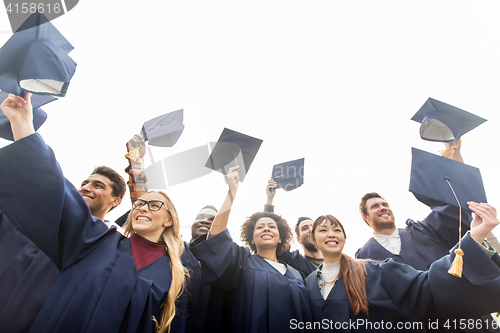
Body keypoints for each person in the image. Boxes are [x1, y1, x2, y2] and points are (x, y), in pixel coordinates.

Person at [0, 93, 188, 333]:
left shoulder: (176, 270)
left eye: (154, 205)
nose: (142, 207)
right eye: (140, 204)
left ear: (170, 219)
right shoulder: (98, 240)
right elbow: (57, 195)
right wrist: (23, 125)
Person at [305, 211, 500, 332]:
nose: (331, 234)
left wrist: (474, 238)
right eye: (323, 230)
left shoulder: (374, 270)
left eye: (337, 230)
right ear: (313, 239)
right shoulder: (307, 284)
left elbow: (427, 286)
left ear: (344, 238)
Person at [0, 157, 126, 331]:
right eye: (85, 183)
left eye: (98, 186)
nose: (85, 188)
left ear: (114, 201)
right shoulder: (41, 218)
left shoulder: (109, 245)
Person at [189, 167, 313, 332]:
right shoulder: (241, 262)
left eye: (272, 227)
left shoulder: (297, 274)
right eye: (260, 227)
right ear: (252, 238)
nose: (266, 229)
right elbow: (216, 238)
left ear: (281, 237)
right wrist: (231, 193)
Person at [265, 178, 320, 275]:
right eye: (304, 228)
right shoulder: (294, 262)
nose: (310, 230)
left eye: (313, 226)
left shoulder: (341, 263)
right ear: (298, 239)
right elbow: (267, 229)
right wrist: (270, 199)